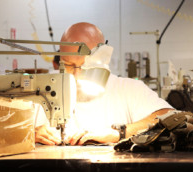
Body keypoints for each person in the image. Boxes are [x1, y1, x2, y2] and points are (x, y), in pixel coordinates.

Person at [35, 22, 174, 146]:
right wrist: (29, 133)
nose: (76, 76)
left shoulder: (128, 89)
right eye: (68, 65)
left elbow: (171, 118)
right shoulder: (44, 91)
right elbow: (15, 130)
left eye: (84, 66)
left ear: (102, 59)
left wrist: (119, 133)